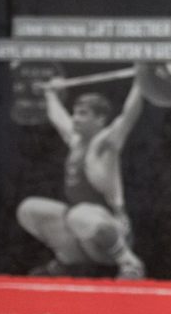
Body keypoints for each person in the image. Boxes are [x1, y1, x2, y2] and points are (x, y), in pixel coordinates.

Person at [16, 76, 146, 279]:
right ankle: (67, 261)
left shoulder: (107, 143)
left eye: (83, 114)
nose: (75, 118)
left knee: (79, 214)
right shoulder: (76, 141)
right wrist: (50, 93)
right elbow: (59, 119)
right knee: (29, 209)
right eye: (75, 113)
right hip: (82, 232)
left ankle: (129, 262)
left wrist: (142, 80)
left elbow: (129, 114)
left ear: (100, 119)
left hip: (113, 231)